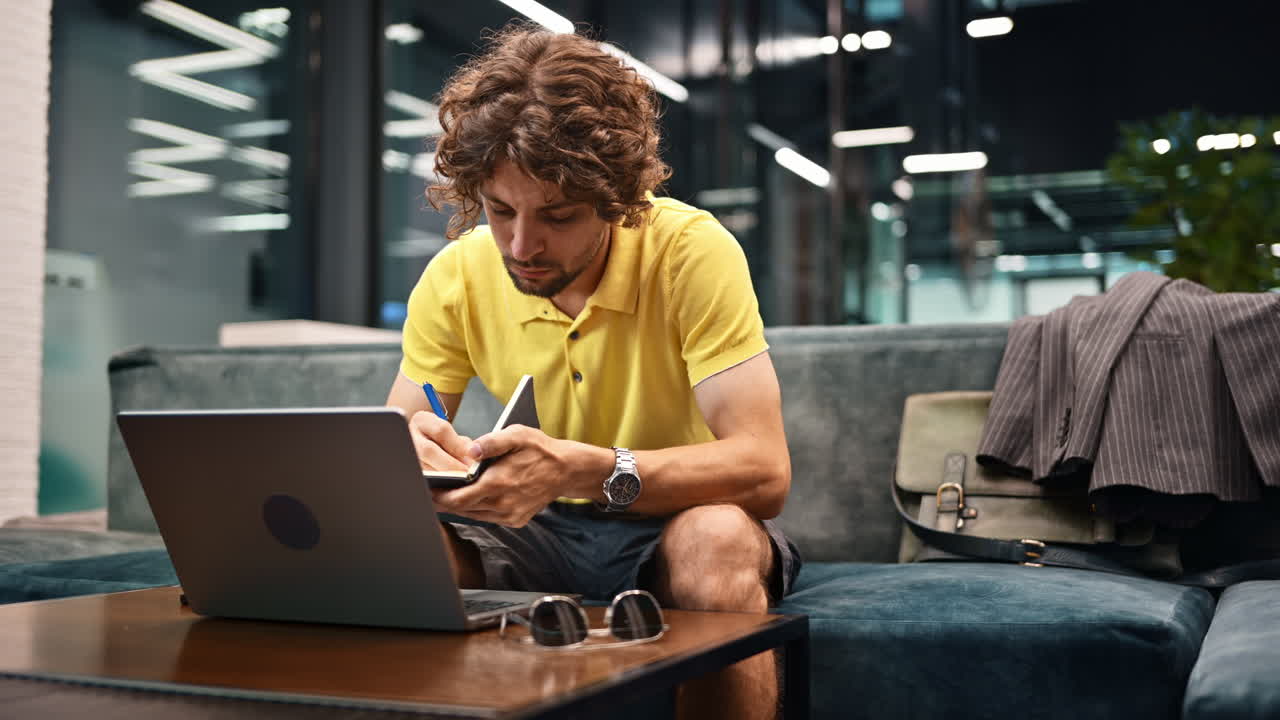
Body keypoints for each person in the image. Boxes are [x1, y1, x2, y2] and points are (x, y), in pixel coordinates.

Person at [385, 24, 800, 720]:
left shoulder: (690, 254)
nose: (521, 245)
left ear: (617, 199)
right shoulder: (455, 278)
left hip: (675, 520)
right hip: (531, 529)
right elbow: (397, 440)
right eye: (499, 210)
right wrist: (421, 456)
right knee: (394, 548)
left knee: (717, 540)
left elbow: (765, 471)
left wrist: (582, 469)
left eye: (559, 215)